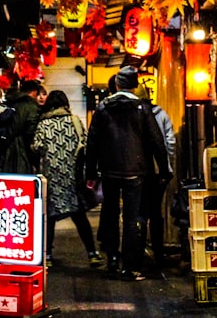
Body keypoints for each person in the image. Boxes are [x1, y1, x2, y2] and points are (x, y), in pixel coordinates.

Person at [85, 66, 172, 282]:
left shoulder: (103, 107)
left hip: (109, 171)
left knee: (111, 213)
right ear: (135, 86)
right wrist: (163, 169)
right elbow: (156, 141)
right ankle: (129, 268)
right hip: (137, 172)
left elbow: (92, 141)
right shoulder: (142, 108)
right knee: (132, 219)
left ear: (117, 84)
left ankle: (112, 260)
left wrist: (90, 172)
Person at [31, 89, 105, 268]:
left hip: (52, 178)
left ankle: (46, 256)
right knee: (79, 216)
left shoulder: (43, 124)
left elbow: (36, 147)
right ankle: (92, 253)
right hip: (73, 176)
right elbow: (86, 144)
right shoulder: (75, 121)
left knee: (48, 218)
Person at [139, 87, 176, 271]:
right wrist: (167, 164)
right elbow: (170, 140)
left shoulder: (134, 116)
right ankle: (159, 254)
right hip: (159, 172)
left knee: (141, 213)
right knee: (156, 213)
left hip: (139, 172)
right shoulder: (161, 114)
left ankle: (139, 255)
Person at [0, 79, 42, 174]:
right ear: (34, 92)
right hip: (20, 154)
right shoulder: (31, 107)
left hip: (1, 152)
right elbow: (30, 134)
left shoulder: (10, 103)